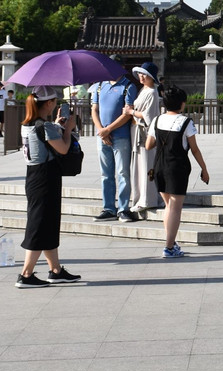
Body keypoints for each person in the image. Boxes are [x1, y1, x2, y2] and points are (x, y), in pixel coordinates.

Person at [17, 86, 80, 287]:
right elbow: (63, 149)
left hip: (34, 175)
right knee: (39, 224)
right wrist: (68, 130)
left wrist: (57, 126)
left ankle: (56, 270)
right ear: (50, 103)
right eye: (55, 101)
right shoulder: (45, 127)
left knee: (48, 222)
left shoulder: (29, 124)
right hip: (45, 176)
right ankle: (26, 274)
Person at [145, 85, 209, 259]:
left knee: (169, 206)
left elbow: (148, 145)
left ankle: (172, 243)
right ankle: (169, 247)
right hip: (177, 168)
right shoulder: (186, 122)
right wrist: (204, 168)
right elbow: (194, 149)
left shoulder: (157, 120)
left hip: (159, 167)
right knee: (175, 208)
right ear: (182, 104)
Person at [91, 72, 138, 222]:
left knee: (123, 172)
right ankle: (109, 207)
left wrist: (108, 129)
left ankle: (123, 208)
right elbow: (94, 110)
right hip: (102, 136)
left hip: (120, 136)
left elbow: (127, 113)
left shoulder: (128, 86)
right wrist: (101, 131)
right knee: (106, 174)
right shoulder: (99, 86)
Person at [125, 62, 163, 216]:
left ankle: (147, 200)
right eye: (140, 74)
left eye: (144, 74)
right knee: (139, 165)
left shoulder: (152, 92)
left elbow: (149, 116)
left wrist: (131, 112)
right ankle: (140, 198)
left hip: (144, 132)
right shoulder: (144, 90)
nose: (141, 77)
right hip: (137, 130)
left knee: (146, 164)